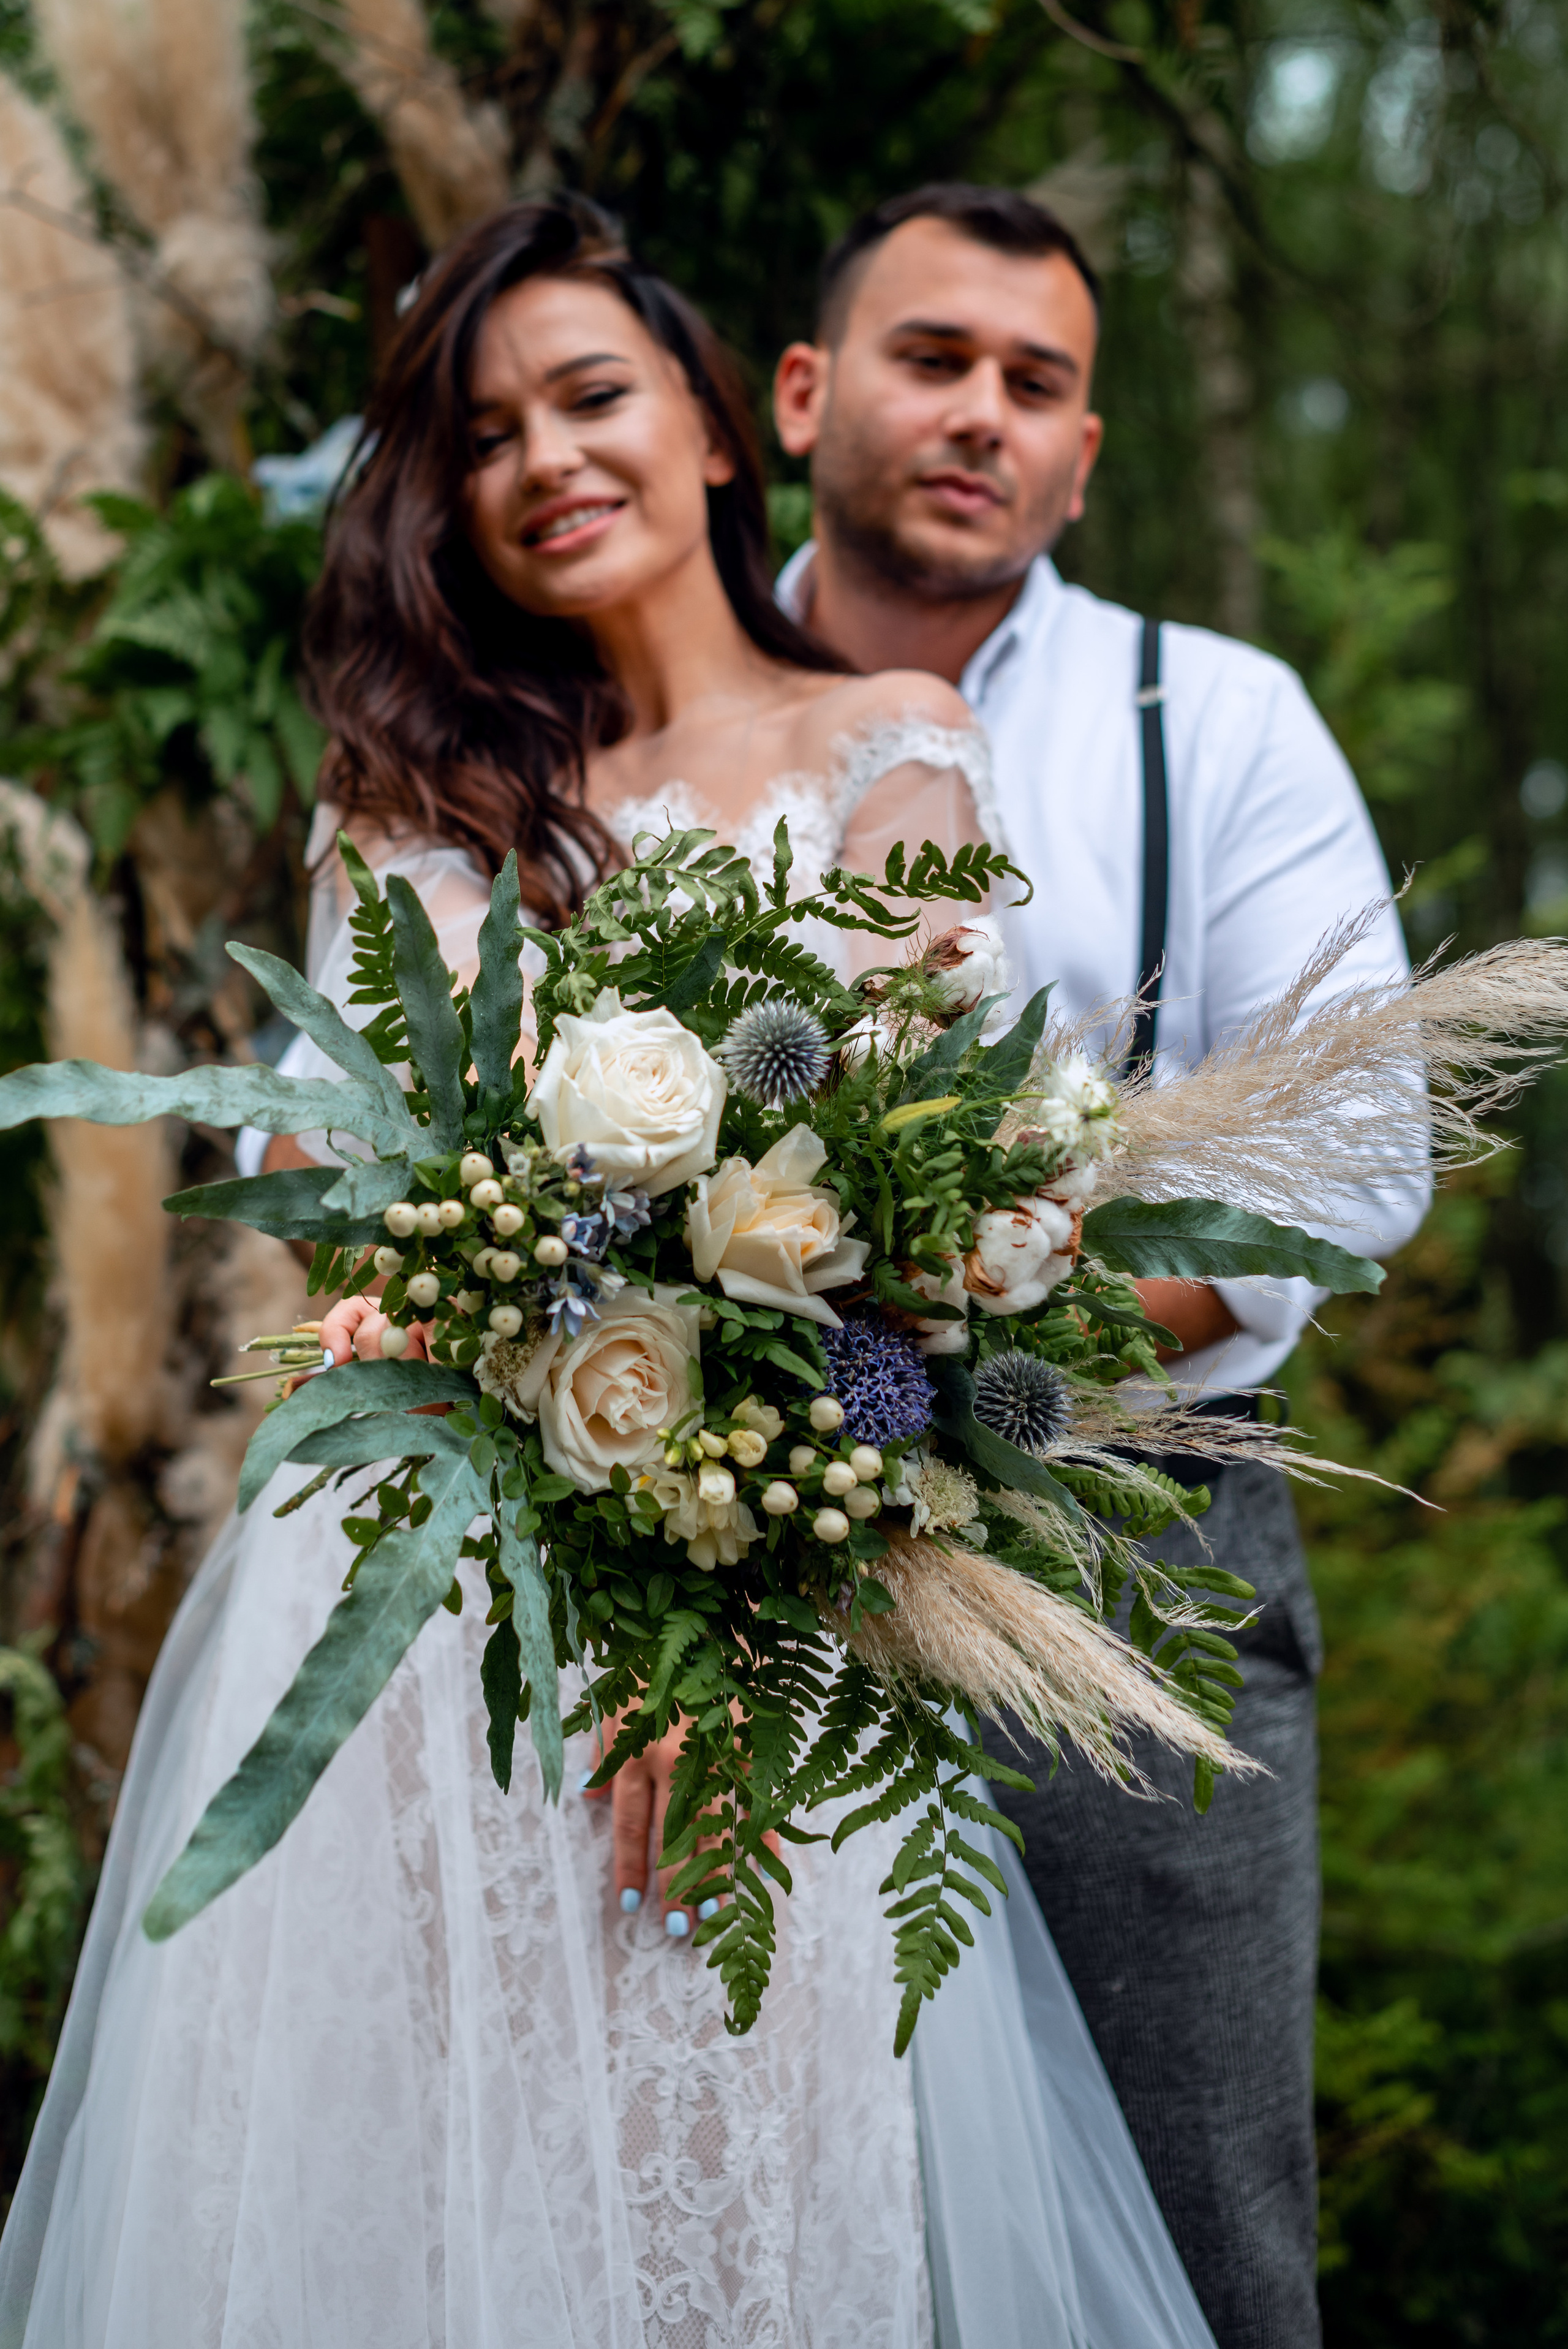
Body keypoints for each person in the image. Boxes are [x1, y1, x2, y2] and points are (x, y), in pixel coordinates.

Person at [0, 194, 1219, 2349]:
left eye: (591, 396)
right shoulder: (417, 803)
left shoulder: (897, 742)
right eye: (483, 433)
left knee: (727, 2210)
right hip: (395, 1612)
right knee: (382, 2214)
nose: (546, 458)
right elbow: (320, 1189)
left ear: (716, 426)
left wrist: (730, 1634)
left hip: (732, 1619)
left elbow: (907, 1215)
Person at [771, 181, 1428, 2349]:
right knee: (776, 2228)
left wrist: (959, 1372)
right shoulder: (653, 714)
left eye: (1033, 384)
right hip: (706, 1575)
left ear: (1082, 452)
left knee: (1191, 2220)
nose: (980, 414)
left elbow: (1344, 1153)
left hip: (1136, 1541)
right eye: (931, 358)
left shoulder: (1212, 716)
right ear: (803, 393)